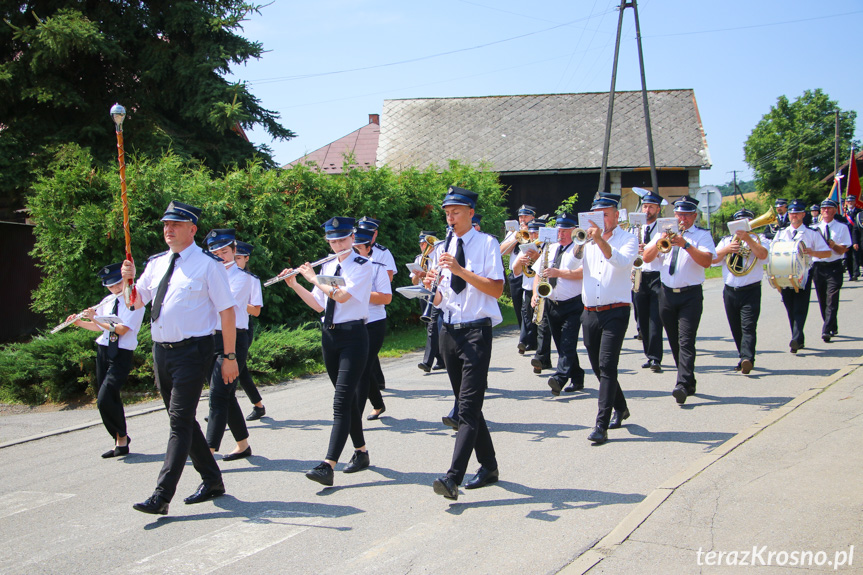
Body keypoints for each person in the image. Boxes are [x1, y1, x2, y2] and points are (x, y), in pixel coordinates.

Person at [123, 200, 238, 516]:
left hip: (193, 352)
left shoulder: (208, 265)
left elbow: (227, 313)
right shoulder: (157, 263)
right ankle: (213, 480)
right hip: (162, 352)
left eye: (175, 225)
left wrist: (229, 356)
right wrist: (129, 281)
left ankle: (161, 496)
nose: (168, 230)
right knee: (182, 419)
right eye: (165, 225)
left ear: (192, 229)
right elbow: (135, 303)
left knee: (178, 421)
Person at [424, 186, 503, 501]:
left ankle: (452, 478)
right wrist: (431, 288)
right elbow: (446, 297)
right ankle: (489, 466)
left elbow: (495, 289)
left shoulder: (487, 244)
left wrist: (458, 270)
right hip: (449, 332)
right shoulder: (443, 245)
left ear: (471, 212)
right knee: (469, 404)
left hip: (476, 333)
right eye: (447, 212)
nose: (450, 217)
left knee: (466, 410)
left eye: (455, 211)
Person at [281, 217, 373, 486]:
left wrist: (312, 277)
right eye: (332, 241)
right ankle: (361, 452)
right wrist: (296, 284)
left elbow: (342, 296)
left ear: (352, 237)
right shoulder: (329, 265)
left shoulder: (362, 265)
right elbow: (320, 304)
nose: (337, 246)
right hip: (330, 336)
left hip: (354, 336)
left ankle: (328, 464)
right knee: (345, 401)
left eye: (342, 240)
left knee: (341, 402)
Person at [642, 196, 716, 405]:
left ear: (694, 216)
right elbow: (646, 258)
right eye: (678, 214)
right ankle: (688, 379)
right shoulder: (662, 233)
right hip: (666, 293)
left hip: (690, 294)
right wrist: (660, 241)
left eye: (685, 215)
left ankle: (681, 383)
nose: (681, 218)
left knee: (686, 340)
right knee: (674, 340)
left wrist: (686, 245)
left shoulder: (701, 236)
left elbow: (707, 261)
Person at [66, 262, 145, 458]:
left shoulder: (133, 300)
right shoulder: (108, 300)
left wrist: (95, 319)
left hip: (121, 352)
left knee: (104, 398)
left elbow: (122, 329)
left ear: (126, 280)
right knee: (111, 398)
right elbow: (99, 328)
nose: (115, 289)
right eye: (111, 286)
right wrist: (79, 322)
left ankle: (122, 436)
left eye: (118, 284)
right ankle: (121, 441)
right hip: (103, 349)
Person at [579, 194, 638, 444]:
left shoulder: (629, 239)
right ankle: (621, 406)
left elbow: (622, 262)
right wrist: (579, 242)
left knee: (607, 364)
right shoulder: (588, 240)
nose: (601, 219)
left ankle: (600, 424)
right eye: (596, 214)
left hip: (616, 310)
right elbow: (573, 260)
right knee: (597, 367)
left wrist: (600, 239)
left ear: (616, 215)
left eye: (605, 214)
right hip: (590, 312)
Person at [204, 229, 255, 461]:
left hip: (234, 338)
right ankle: (243, 444)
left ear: (234, 252)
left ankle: (208, 451)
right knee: (226, 394)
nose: (220, 256)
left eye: (225, 251)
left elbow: (223, 307)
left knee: (217, 396)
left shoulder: (244, 279)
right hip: (209, 338)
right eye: (214, 252)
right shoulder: (207, 275)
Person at [531, 212, 585, 396]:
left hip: (573, 304)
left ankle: (560, 378)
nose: (560, 234)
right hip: (552, 303)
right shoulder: (550, 248)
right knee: (562, 344)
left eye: (564, 230)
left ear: (573, 231)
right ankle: (577, 377)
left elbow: (583, 273)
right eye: (559, 230)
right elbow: (538, 272)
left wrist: (559, 273)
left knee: (568, 343)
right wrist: (535, 294)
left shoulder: (580, 248)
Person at [770, 199, 830, 353]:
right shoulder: (781, 233)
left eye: (797, 213)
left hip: (804, 274)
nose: (793, 216)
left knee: (800, 308)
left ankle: (796, 339)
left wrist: (813, 252)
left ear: (803, 214)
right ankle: (798, 338)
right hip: (784, 275)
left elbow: (827, 252)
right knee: (790, 308)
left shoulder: (811, 233)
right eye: (791, 213)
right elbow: (772, 252)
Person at [712, 209, 769, 374]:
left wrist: (748, 240)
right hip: (730, 290)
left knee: (748, 326)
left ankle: (747, 358)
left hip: (751, 289)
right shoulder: (726, 241)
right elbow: (713, 259)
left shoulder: (760, 239)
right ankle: (742, 356)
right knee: (735, 327)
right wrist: (728, 249)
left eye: (747, 222)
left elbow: (763, 256)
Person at [352, 227, 393, 421]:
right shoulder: (345, 268)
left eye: (358, 247)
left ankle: (354, 418)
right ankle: (378, 404)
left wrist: (358, 294)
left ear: (369, 248)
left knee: (362, 368)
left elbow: (386, 298)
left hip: (374, 322)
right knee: (364, 368)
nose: (353, 251)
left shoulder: (377, 267)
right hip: (354, 322)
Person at [632, 190, 667, 373]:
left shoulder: (662, 229)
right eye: (645, 206)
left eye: (651, 207)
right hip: (639, 275)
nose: (647, 210)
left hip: (656, 275)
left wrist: (649, 249)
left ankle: (655, 357)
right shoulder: (634, 228)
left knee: (655, 318)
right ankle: (648, 354)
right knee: (641, 318)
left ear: (658, 209)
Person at [233, 240, 266, 421]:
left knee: (234, 371)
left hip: (243, 329)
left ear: (246, 259)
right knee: (240, 370)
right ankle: (258, 405)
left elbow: (256, 311)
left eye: (238, 258)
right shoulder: (222, 275)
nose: (235, 261)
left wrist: (237, 300)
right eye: (233, 257)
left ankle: (221, 411)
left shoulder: (251, 280)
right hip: (221, 330)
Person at [811, 199, 851, 343]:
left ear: (835, 211)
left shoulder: (842, 228)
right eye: (823, 208)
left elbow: (843, 250)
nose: (826, 211)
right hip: (818, 267)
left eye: (829, 208)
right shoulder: (814, 228)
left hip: (834, 265)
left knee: (832, 298)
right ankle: (832, 324)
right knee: (822, 300)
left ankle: (826, 329)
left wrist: (833, 245)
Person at [500, 205, 537, 341]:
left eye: (525, 216)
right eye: (520, 216)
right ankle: (526, 337)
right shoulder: (513, 232)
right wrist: (517, 237)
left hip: (530, 273)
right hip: (516, 274)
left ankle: (530, 337)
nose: (522, 219)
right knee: (518, 307)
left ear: (532, 217)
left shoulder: (535, 230)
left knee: (529, 307)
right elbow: (502, 251)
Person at [413, 231, 445, 372]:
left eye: (425, 244)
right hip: (423, 295)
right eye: (421, 244)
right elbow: (414, 281)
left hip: (436, 295)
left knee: (433, 327)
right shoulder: (419, 259)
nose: (423, 247)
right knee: (429, 327)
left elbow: (438, 277)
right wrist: (417, 275)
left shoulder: (437, 257)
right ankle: (441, 358)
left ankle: (427, 362)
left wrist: (425, 274)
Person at [510, 219, 542, 354]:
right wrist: (520, 262)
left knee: (540, 320)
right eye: (531, 232)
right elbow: (515, 270)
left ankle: (536, 348)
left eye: (536, 233)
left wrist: (537, 257)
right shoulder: (526, 247)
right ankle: (527, 342)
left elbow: (547, 266)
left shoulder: (547, 247)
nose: (533, 236)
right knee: (527, 315)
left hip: (542, 289)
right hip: (527, 287)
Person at [841, 196, 860, 281]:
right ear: (846, 203)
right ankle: (851, 274)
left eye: (852, 201)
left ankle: (856, 273)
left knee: (855, 256)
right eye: (848, 202)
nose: (850, 203)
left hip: (856, 236)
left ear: (854, 202)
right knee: (848, 257)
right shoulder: (843, 213)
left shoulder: (859, 212)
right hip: (846, 236)